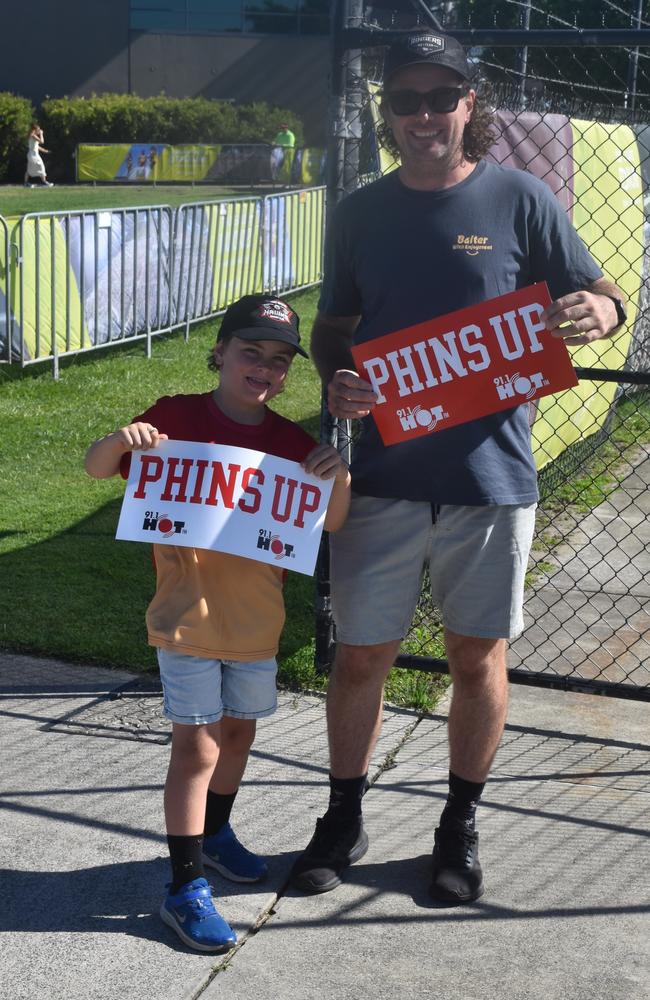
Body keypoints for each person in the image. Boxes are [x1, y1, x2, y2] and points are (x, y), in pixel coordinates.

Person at [289, 31, 627, 903]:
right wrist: (339, 378)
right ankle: (343, 815)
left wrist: (600, 307)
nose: (425, 114)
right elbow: (335, 325)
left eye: (443, 97)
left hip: (492, 479)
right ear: (389, 113)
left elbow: (600, 296)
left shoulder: (521, 198)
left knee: (478, 658)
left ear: (471, 105)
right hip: (387, 479)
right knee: (362, 657)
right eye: (407, 100)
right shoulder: (359, 212)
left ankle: (458, 823)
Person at [85, 293, 351, 950]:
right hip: (186, 620)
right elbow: (97, 466)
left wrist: (336, 474)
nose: (264, 368)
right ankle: (184, 887)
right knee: (196, 748)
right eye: (250, 352)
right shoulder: (175, 417)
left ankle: (215, 833)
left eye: (279, 360)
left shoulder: (292, 443)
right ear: (221, 353)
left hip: (256, 624)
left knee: (236, 739)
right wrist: (123, 440)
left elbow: (333, 520)